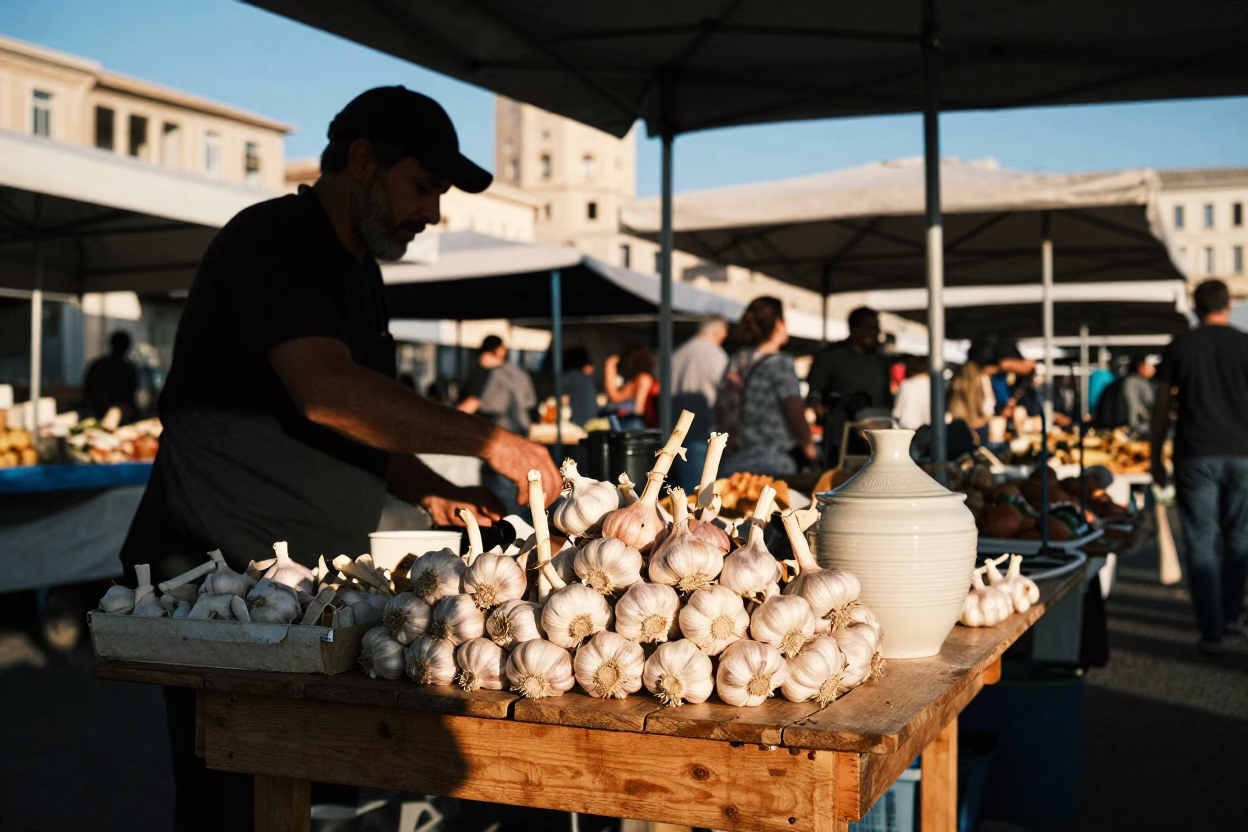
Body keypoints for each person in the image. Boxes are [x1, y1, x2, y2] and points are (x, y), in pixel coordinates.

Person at [117, 87, 560, 829]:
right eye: (423, 187)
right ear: (362, 162)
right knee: (239, 803)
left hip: (309, 594)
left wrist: (430, 488)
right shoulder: (274, 239)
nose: (434, 214)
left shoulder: (359, 272)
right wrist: (494, 441)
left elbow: (356, 419)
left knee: (321, 801)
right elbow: (325, 391)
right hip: (223, 582)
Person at [1151, 279, 1248, 656]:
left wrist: (1155, 453)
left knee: (1200, 539)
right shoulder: (1244, 344)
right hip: (1243, 453)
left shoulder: (1181, 346)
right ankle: (1232, 615)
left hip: (1195, 453)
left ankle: (1211, 628)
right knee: (1239, 538)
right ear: (1227, 304)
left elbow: (1161, 406)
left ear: (1195, 306)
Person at [718, 297, 815, 476]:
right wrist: (809, 447)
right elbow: (794, 410)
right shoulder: (780, 363)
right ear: (778, 324)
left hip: (734, 462)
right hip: (774, 463)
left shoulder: (736, 360)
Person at [458, 335, 540, 514]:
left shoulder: (486, 371)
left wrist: (447, 419)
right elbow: (532, 406)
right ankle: (520, 529)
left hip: (495, 435)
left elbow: (471, 404)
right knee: (519, 487)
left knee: (499, 493)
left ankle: (505, 531)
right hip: (520, 433)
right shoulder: (519, 373)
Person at [806, 306, 892, 466]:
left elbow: (887, 398)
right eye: (869, 328)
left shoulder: (881, 361)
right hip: (840, 439)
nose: (875, 333)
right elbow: (814, 394)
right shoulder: (830, 357)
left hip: (877, 438)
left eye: (877, 329)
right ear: (854, 329)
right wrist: (818, 408)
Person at [671, 314, 730, 490]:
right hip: (704, 433)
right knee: (701, 498)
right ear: (718, 331)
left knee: (684, 494)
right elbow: (728, 393)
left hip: (677, 434)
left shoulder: (678, 353)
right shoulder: (715, 354)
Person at [83, 330, 140, 421]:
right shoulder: (127, 368)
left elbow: (87, 390)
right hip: (120, 415)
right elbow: (131, 397)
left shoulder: (98, 364)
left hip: (95, 412)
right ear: (127, 347)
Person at [604, 344, 660, 428]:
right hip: (642, 423)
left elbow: (638, 409)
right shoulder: (640, 379)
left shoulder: (643, 379)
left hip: (641, 424)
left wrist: (609, 366)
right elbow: (615, 397)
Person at [560, 346, 599, 427]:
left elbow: (557, 391)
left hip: (578, 421)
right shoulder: (588, 377)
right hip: (592, 419)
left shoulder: (571, 376)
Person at [892, 355, 931, 431]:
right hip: (930, 432)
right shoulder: (935, 386)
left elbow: (897, 413)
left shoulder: (905, 385)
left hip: (907, 432)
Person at [1121, 354, 1157, 437]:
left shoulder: (1134, 381)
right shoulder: (1136, 382)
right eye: (1151, 366)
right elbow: (1134, 405)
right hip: (1139, 428)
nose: (1154, 369)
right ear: (1141, 366)